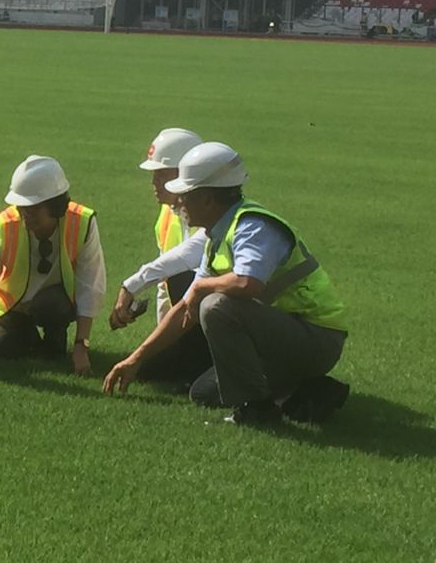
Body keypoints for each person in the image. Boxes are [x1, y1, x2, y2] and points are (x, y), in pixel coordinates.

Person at [103, 143, 350, 426]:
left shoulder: (253, 226)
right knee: (204, 393)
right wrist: (135, 359)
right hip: (284, 336)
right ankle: (308, 392)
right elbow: (186, 310)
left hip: (317, 337)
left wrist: (202, 288)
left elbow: (248, 283)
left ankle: (258, 411)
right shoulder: (218, 235)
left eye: (185, 195)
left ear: (208, 200)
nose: (178, 202)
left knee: (216, 305)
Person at [0, 155, 105, 375]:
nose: (25, 215)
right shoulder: (2, 226)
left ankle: (54, 339)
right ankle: (29, 337)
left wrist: (81, 346)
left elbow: (91, 287)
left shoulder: (82, 222)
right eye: (21, 207)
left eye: (33, 208)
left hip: (56, 303)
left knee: (51, 306)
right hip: (11, 308)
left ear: (55, 206)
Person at [109, 128, 212, 385]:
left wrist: (131, 285)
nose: (154, 182)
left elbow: (185, 259)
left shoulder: (211, 213)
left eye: (162, 174)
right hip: (190, 316)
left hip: (221, 318)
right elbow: (165, 284)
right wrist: (163, 335)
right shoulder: (168, 214)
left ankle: (203, 365)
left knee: (183, 279)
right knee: (149, 372)